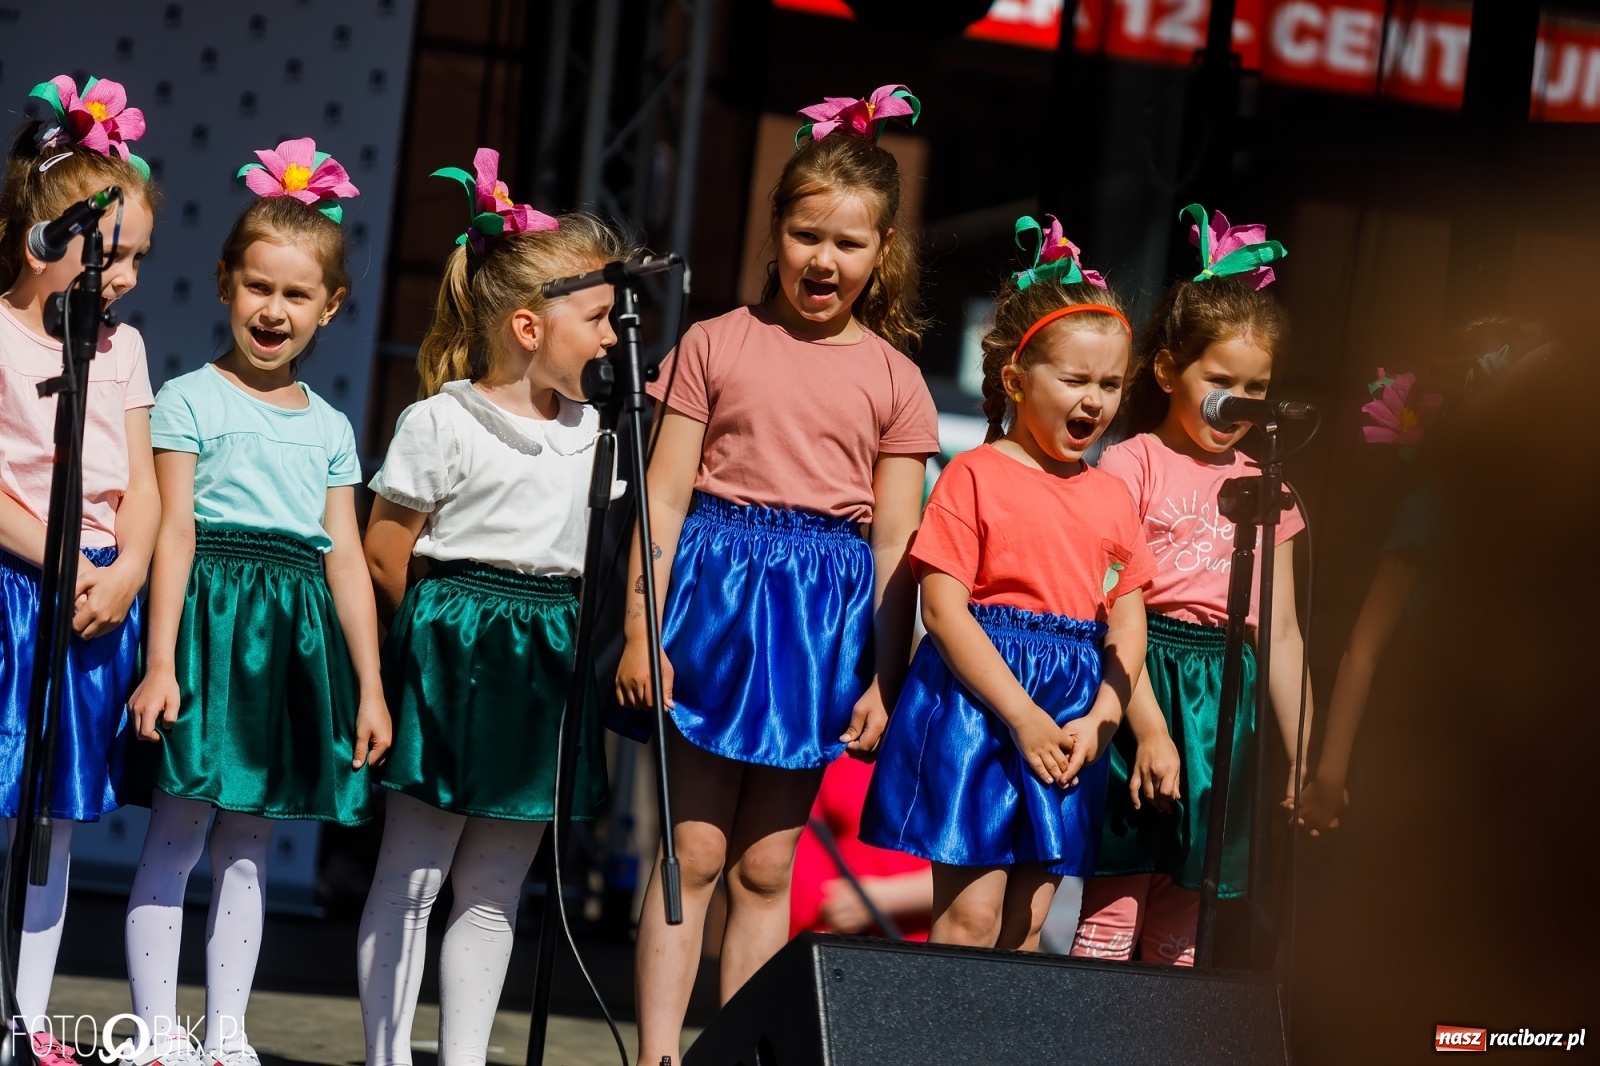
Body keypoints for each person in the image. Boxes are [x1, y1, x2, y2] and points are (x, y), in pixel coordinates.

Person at [618, 85, 939, 1065]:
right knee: (693, 850)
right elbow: (662, 500)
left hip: (817, 628)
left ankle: (734, 1055)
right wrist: (639, 630)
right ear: (775, 230)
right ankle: (660, 1055)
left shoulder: (896, 379)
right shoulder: (714, 343)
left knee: (766, 867)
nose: (823, 260)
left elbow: (897, 540)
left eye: (848, 242)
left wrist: (888, 674)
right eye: (806, 235)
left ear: (882, 250)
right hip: (714, 608)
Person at [124, 139, 389, 1066]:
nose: (274, 310)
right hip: (208, 633)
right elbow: (174, 535)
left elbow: (345, 561)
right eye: (258, 287)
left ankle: (227, 1032)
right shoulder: (188, 399)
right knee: (178, 833)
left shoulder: (332, 427)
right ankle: (157, 1032)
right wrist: (162, 662)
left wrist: (370, 687)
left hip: (286, 646)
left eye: (297, 295)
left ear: (331, 305)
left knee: (249, 848)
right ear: (225, 284)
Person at [356, 148, 624, 1066]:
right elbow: (385, 550)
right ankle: (390, 1055)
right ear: (527, 326)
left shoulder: (596, 435)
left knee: (495, 888)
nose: (613, 337)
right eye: (597, 319)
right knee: (414, 876)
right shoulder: (443, 421)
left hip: (546, 657)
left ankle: (463, 1057)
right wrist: (436, 640)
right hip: (457, 648)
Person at [861, 217, 1153, 951]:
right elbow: (943, 610)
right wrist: (1022, 716)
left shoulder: (1113, 496)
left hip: (1070, 711)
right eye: (1075, 380)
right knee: (970, 918)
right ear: (1018, 381)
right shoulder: (974, 475)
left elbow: (1128, 619)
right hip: (982, 705)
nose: (1095, 400)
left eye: (1110, 384)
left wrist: (1104, 716)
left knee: (1025, 927)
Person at [1072, 205, 1310, 967]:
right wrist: (1147, 726)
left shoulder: (1271, 489)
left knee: (1187, 918)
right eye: (1220, 380)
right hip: (1146, 672)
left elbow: (1280, 632)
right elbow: (1112, 606)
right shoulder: (1132, 463)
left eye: (1255, 386)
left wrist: (1301, 751)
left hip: (1226, 699)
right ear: (1170, 369)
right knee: (1117, 901)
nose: (1236, 401)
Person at [0, 73, 159, 1065]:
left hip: (98, 596)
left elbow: (141, 482)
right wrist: (61, 562)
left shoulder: (124, 348)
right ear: (41, 242)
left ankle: (25, 1015)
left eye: (138, 257)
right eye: (112, 253)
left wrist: (129, 566)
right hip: (19, 589)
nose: (126, 277)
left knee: (54, 819)